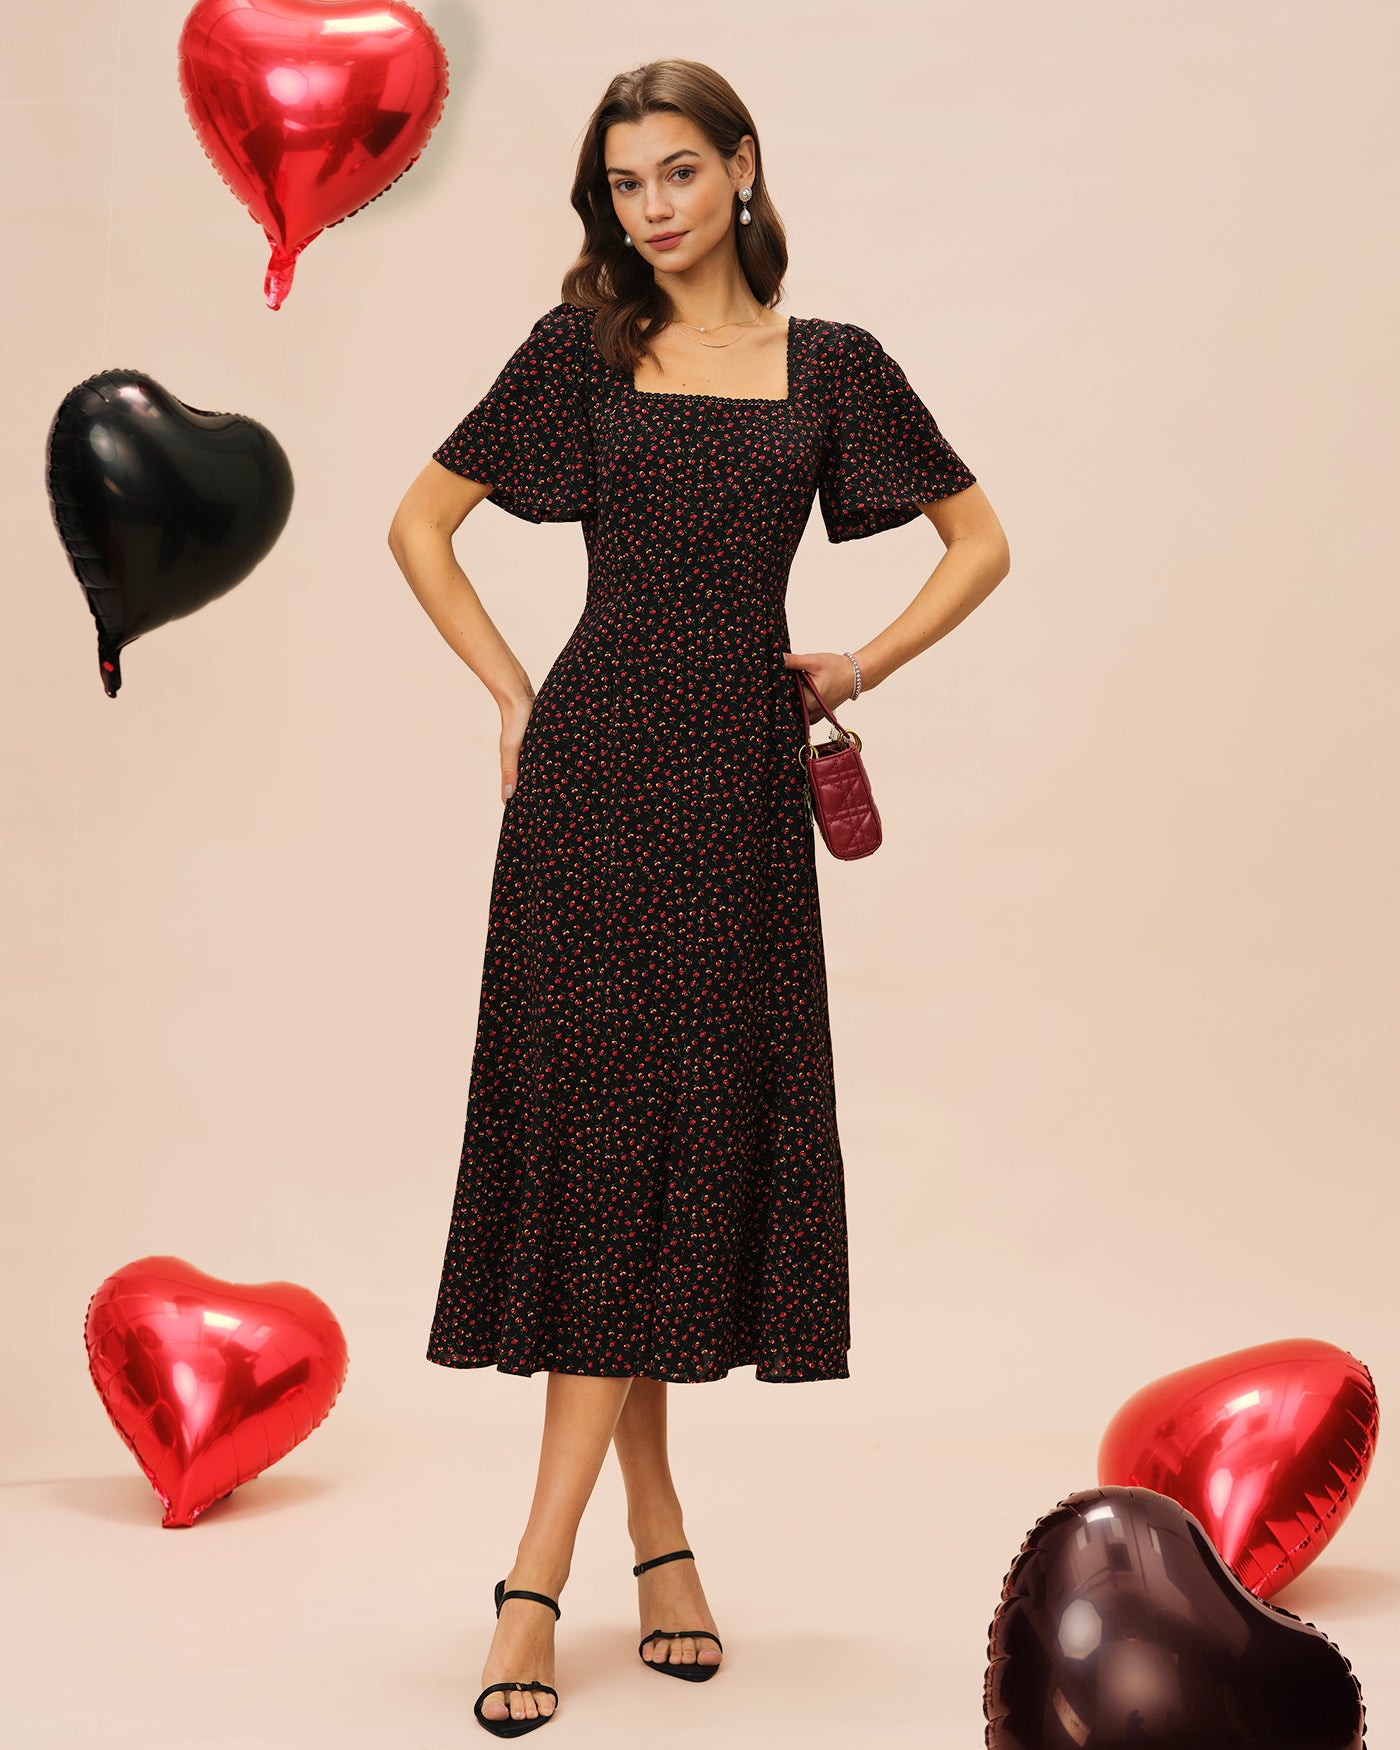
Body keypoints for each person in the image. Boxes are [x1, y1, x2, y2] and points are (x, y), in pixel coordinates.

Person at [387, 57, 1010, 1738]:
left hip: (739, 796)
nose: (650, 207)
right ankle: (542, 1575)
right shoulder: (581, 353)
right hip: (590, 786)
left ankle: (652, 1539)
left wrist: (857, 664)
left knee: (667, 1153)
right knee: (610, 1153)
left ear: (742, 167)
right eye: (623, 183)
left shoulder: (834, 365)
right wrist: (514, 696)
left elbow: (981, 542)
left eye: (676, 170)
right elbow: (419, 525)